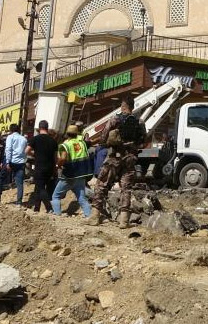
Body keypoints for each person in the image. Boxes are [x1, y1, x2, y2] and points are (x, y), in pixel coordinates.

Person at [89, 98, 146, 228]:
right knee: (126, 188)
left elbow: (103, 136)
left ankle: (94, 217)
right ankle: (124, 221)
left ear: (123, 105)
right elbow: (144, 138)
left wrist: (105, 143)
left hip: (115, 157)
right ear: (132, 107)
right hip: (130, 158)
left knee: (102, 184)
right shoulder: (139, 122)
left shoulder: (115, 120)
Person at [51, 125, 93, 217]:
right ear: (76, 134)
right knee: (81, 198)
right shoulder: (82, 144)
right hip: (81, 174)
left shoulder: (65, 145)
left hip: (69, 175)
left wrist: (58, 165)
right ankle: (89, 215)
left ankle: (57, 215)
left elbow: (63, 158)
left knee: (56, 196)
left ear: (67, 134)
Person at [28, 120, 59, 213]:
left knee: (41, 188)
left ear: (39, 128)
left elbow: (27, 151)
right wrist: (55, 168)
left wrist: (35, 153)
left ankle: (49, 208)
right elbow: (55, 157)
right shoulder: (53, 141)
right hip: (50, 167)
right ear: (47, 127)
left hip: (39, 167)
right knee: (38, 187)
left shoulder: (35, 139)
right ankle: (36, 208)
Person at [0, 123, 28, 204]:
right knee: (20, 183)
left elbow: (8, 149)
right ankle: (19, 202)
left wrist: (7, 162)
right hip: (21, 163)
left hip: (11, 161)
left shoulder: (10, 137)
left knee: (1, 177)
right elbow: (26, 151)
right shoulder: (24, 139)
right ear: (18, 130)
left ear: (11, 130)